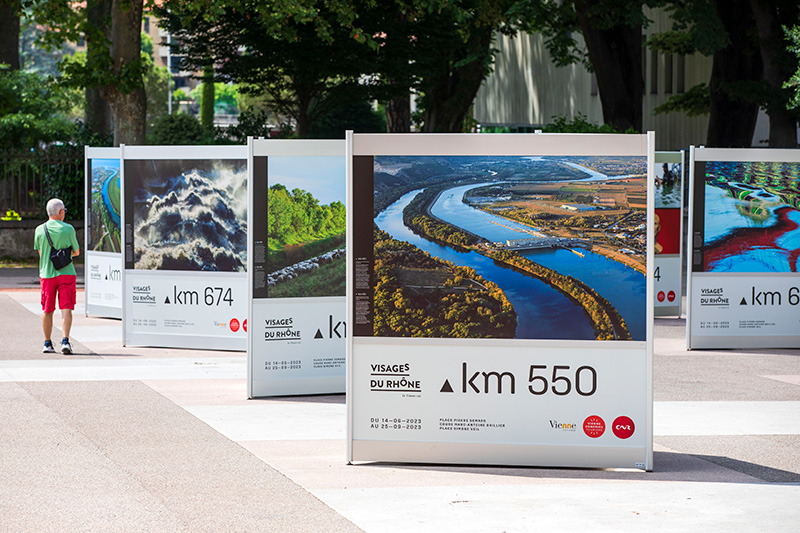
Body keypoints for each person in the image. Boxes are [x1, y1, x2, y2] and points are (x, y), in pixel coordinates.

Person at [34, 198, 80, 354]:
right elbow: (76, 251)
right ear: (61, 212)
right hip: (66, 273)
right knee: (66, 307)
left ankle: (47, 343)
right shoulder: (68, 229)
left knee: (47, 309)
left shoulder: (40, 230)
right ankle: (65, 341)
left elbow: (40, 254)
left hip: (47, 274)